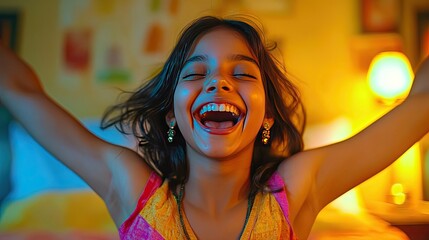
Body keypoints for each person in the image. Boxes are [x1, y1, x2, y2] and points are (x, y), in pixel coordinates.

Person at [0, 15, 428, 240]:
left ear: (267, 116)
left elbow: (421, 105)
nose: (218, 81)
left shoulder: (295, 190)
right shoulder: (131, 188)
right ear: (172, 114)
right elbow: (23, 94)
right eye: (194, 73)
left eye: (242, 73)